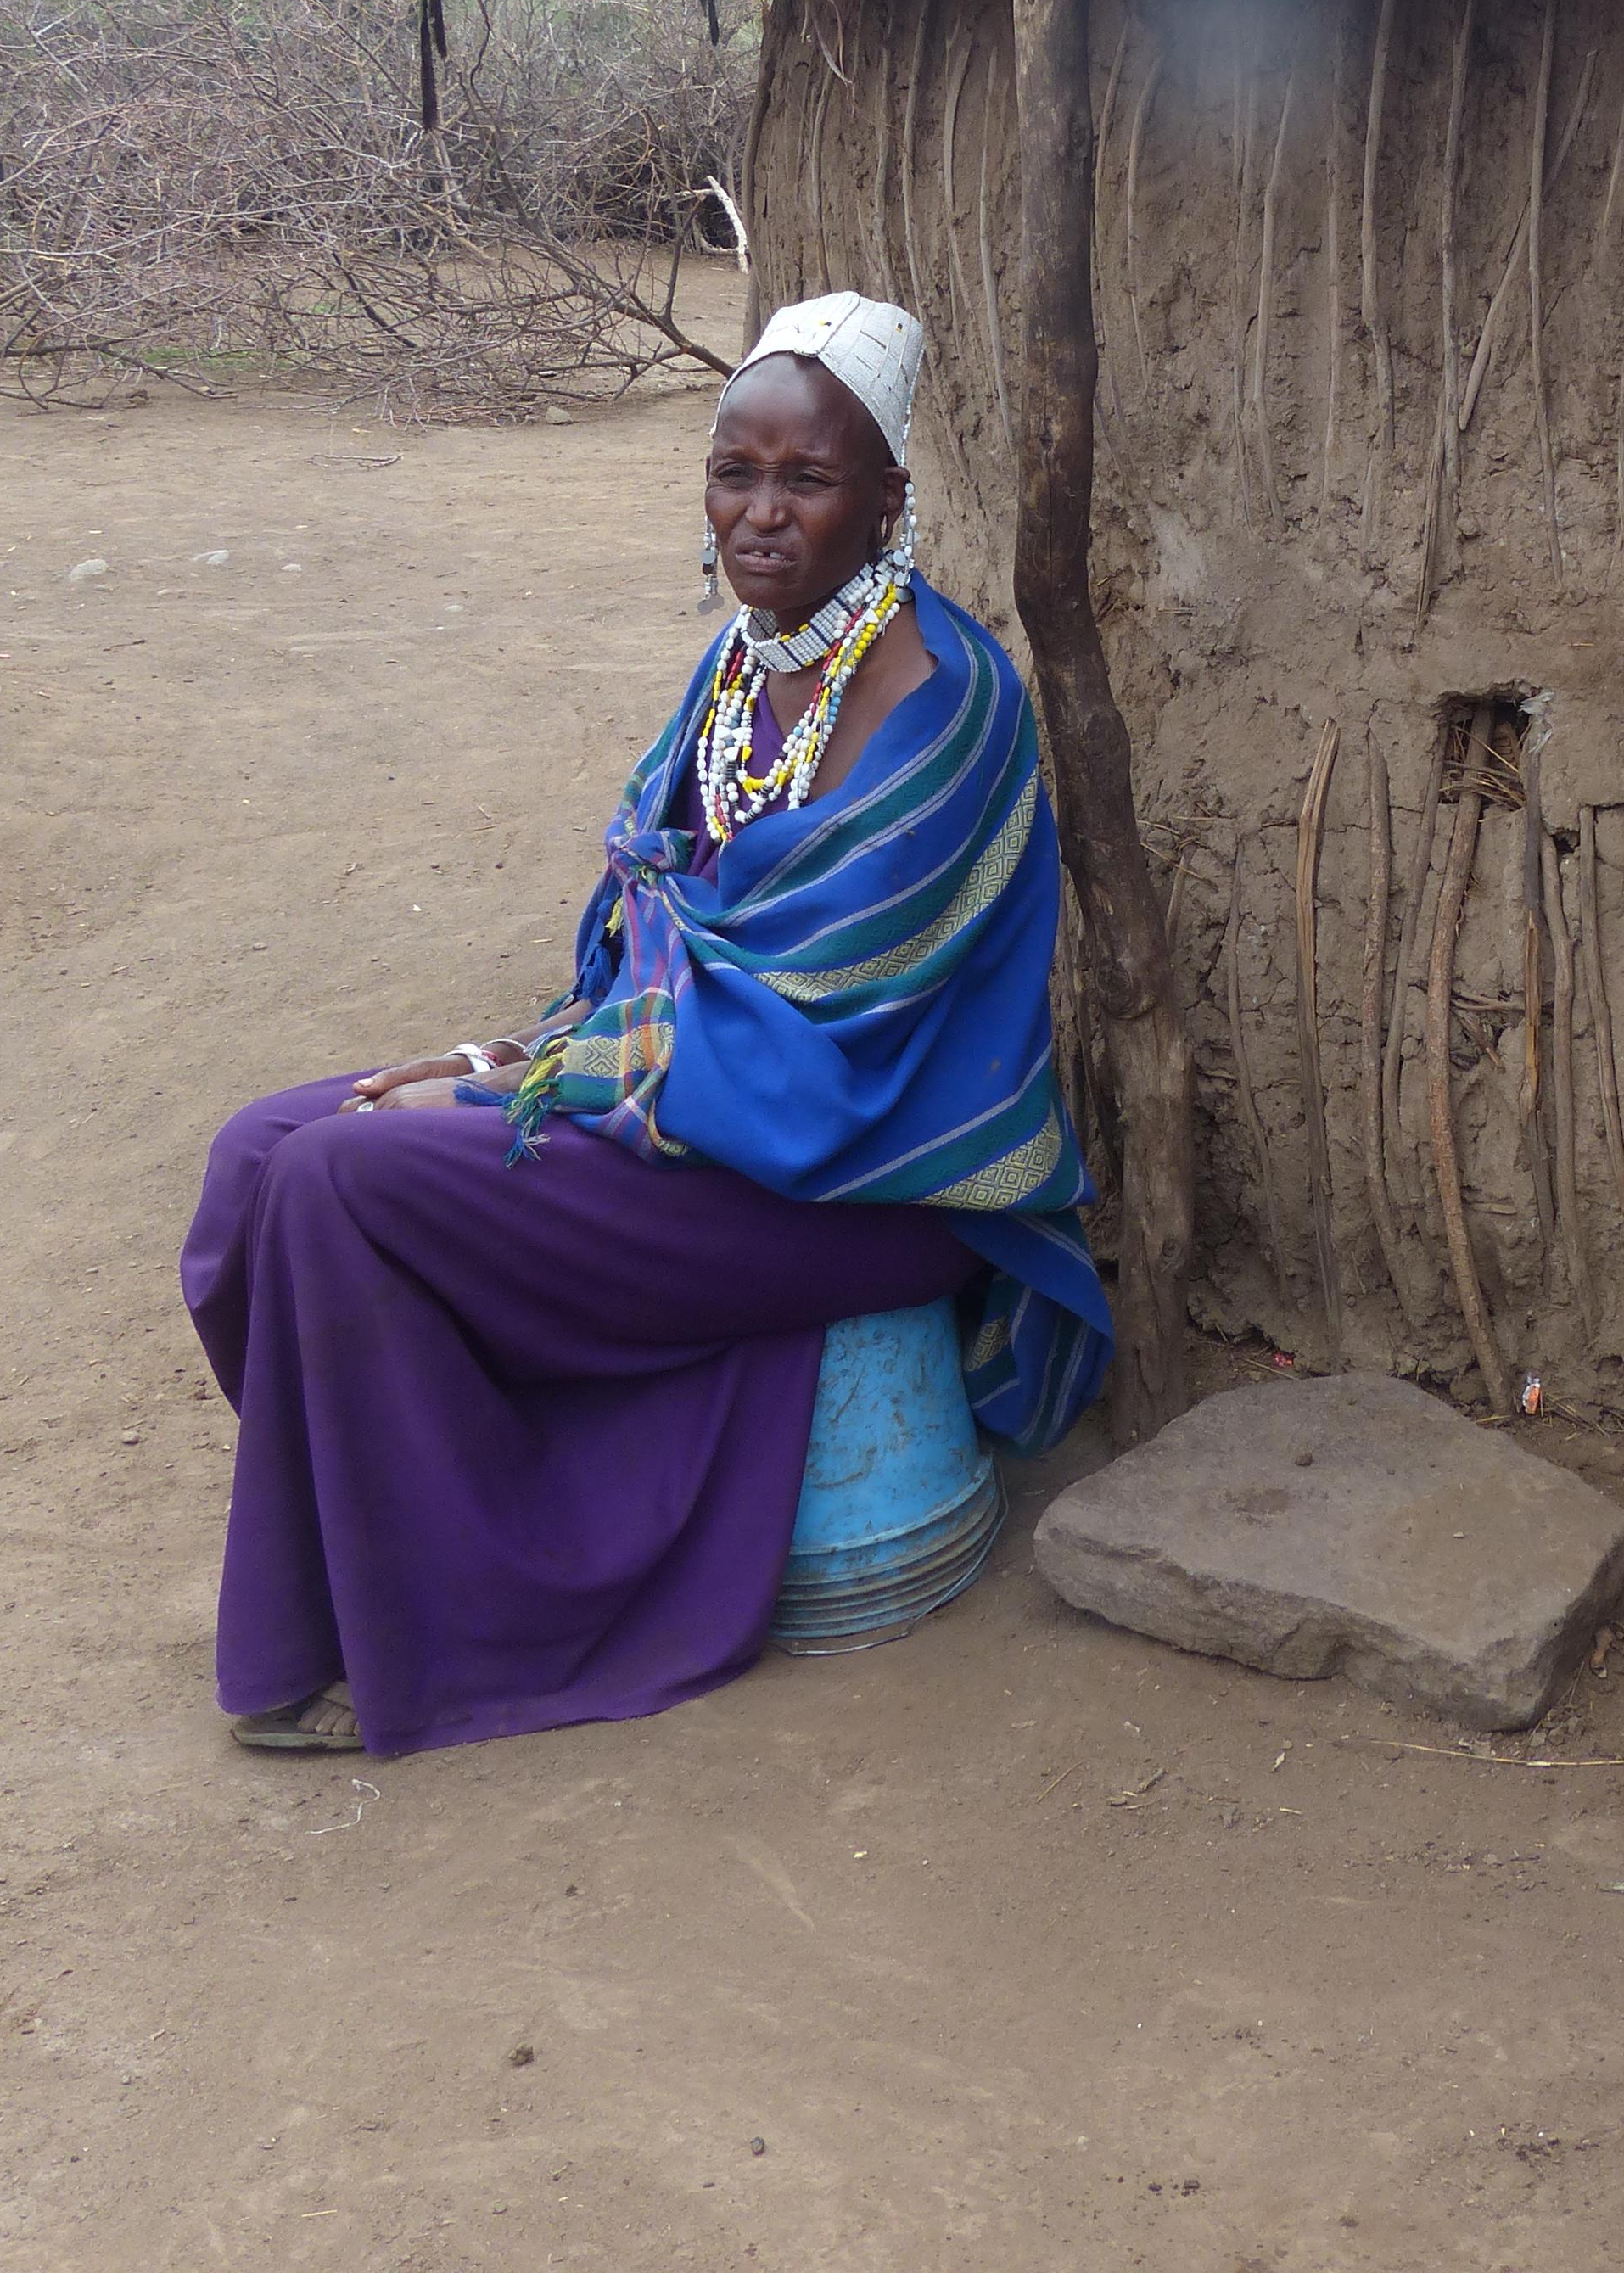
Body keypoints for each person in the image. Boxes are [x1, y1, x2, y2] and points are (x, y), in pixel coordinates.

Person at [182, 291, 1110, 1758]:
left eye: (807, 479)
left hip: (864, 1184)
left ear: (887, 501)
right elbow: (651, 954)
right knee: (257, 1152)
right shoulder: (748, 666)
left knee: (340, 1180)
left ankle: (456, 1631)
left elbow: (812, 1051)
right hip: (695, 1114)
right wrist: (501, 1062)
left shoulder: (948, 709)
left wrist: (499, 1093)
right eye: (735, 472)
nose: (761, 513)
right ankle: (383, 1568)